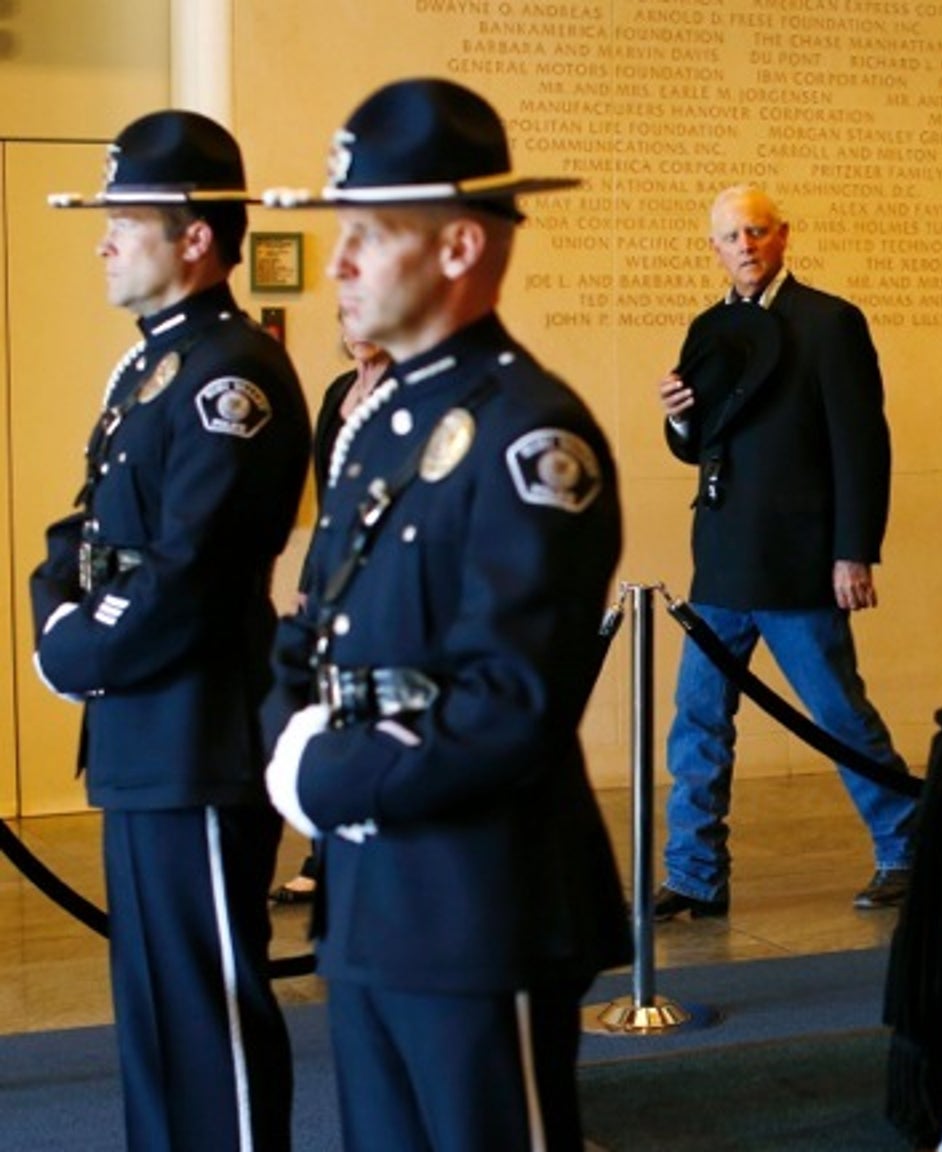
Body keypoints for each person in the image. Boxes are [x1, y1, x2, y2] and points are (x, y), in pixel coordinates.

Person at [258, 77, 628, 1151]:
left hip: (480, 907)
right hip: (375, 900)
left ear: (460, 248)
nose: (336, 266)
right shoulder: (377, 420)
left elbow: (507, 704)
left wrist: (323, 779)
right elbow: (310, 622)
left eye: (365, 236)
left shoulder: (529, 437)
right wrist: (289, 738)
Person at [32, 109, 308, 1151]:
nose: (104, 239)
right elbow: (84, 526)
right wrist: (55, 619)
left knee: (207, 1014)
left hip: (195, 730)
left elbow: (190, 571)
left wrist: (78, 652)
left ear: (195, 236)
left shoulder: (230, 378)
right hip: (145, 730)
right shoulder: (149, 369)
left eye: (124, 220)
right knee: (155, 1014)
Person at [653, 183, 920, 919]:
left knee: (837, 715)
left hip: (800, 560)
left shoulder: (831, 322)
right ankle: (695, 876)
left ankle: (905, 850)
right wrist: (679, 423)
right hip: (721, 558)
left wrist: (853, 552)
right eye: (731, 236)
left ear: (783, 237)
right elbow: (698, 444)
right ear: (714, 248)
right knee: (697, 722)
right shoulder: (708, 328)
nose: (745, 245)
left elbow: (861, 445)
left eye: (757, 232)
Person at [270, 327, 393, 908]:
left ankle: (357, 850)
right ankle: (323, 854)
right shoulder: (339, 391)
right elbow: (328, 503)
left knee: (368, 718)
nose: (355, 330)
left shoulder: (408, 391)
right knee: (324, 713)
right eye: (342, 319)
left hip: (384, 578)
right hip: (332, 573)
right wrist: (307, 582)